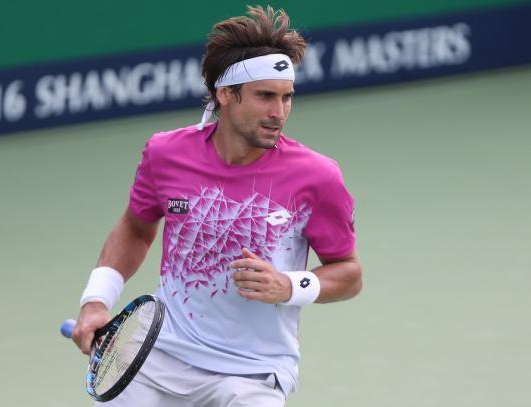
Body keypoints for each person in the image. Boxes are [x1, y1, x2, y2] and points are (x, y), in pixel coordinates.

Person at [72, 5, 362, 406]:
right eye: (264, 96)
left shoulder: (317, 176)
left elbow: (349, 274)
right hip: (160, 355)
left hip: (254, 373)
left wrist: (288, 285)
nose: (278, 113)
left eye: (287, 97)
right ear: (225, 94)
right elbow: (135, 229)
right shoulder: (165, 153)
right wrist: (95, 302)